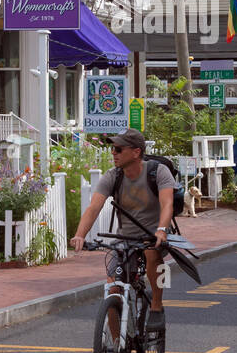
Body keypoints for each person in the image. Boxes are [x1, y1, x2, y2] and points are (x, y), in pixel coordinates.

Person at [70, 130, 172, 339]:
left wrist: (161, 229)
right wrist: (80, 235)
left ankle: (156, 306)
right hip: (125, 239)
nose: (113, 153)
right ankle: (117, 345)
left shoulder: (158, 172)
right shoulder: (113, 176)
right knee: (112, 288)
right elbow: (93, 208)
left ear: (136, 152)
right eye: (112, 148)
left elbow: (167, 203)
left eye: (118, 149)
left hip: (153, 234)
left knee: (155, 256)